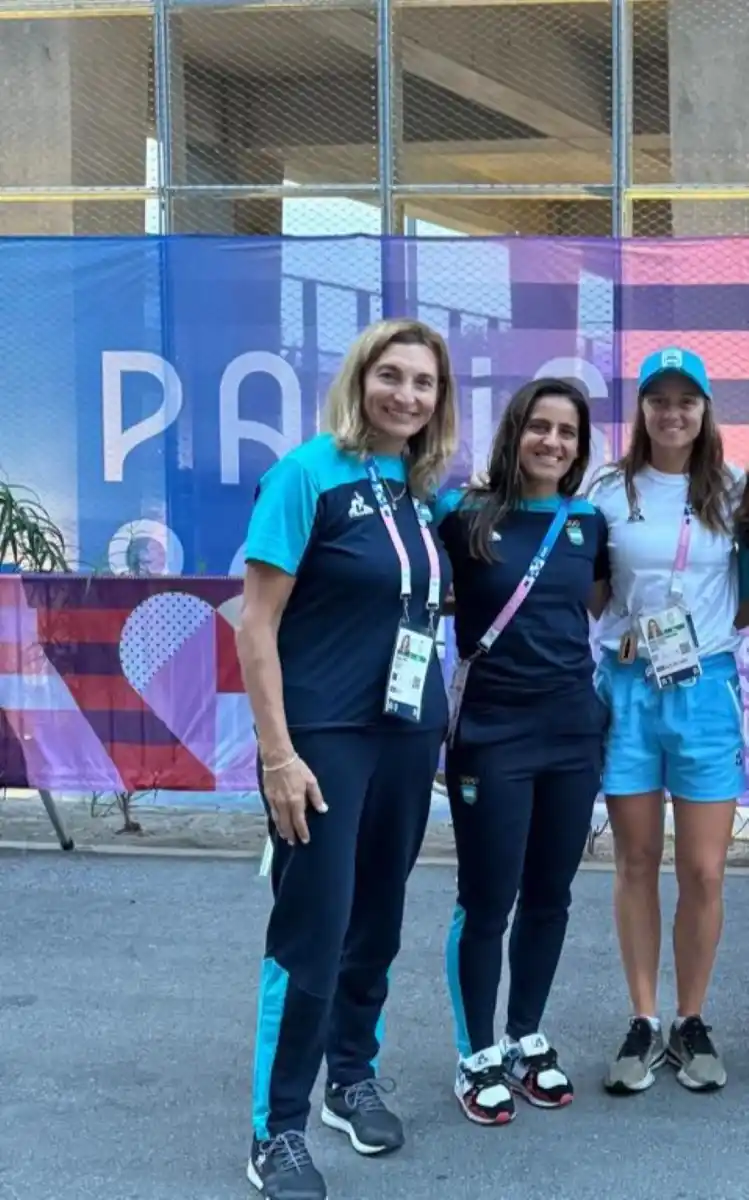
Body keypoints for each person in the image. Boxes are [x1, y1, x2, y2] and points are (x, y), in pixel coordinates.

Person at [236, 318, 457, 1200]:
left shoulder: (421, 488)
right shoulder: (304, 475)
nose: (405, 394)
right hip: (321, 740)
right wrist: (277, 754)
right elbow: (256, 625)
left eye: (424, 383)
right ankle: (276, 1130)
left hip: (406, 737)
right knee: (312, 932)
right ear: (359, 378)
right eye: (390, 376)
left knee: (377, 921)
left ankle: (349, 1076)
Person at [433, 378, 609, 1125]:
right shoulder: (461, 512)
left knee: (550, 896)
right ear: (515, 431)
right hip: (491, 737)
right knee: (486, 901)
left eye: (566, 432)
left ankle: (524, 1035)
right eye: (539, 427)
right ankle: (476, 1055)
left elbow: (594, 605)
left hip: (572, 732)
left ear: (579, 446)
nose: (552, 443)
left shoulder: (588, 521)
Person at [588, 347, 744, 1096]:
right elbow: (588, 595)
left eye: (686, 399)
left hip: (703, 687)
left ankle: (690, 1019)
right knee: (635, 861)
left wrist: (707, 635)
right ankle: (643, 1020)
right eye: (658, 398)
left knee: (705, 868)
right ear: (640, 409)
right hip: (627, 690)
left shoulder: (733, 494)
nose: (672, 412)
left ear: (705, 410)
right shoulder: (608, 493)